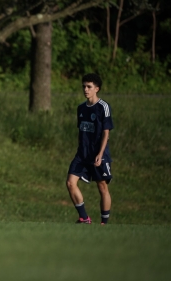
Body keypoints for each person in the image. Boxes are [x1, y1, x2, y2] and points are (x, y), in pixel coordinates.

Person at [66, 73, 113, 225]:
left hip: (98, 153)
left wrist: (100, 154)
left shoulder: (103, 107)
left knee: (102, 187)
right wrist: (80, 149)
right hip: (82, 154)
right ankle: (84, 218)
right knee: (70, 183)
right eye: (84, 86)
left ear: (96, 89)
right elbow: (81, 131)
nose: (85, 89)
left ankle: (104, 223)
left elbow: (106, 132)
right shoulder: (81, 108)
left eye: (89, 87)